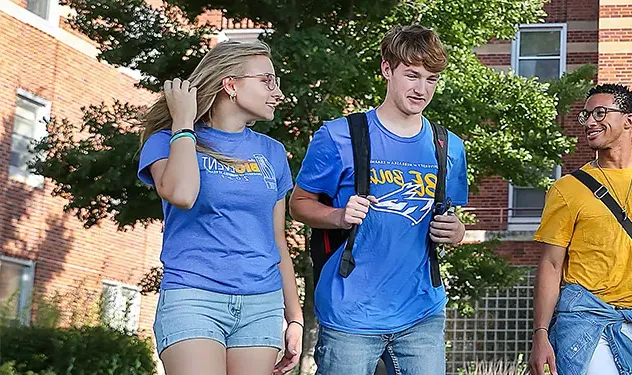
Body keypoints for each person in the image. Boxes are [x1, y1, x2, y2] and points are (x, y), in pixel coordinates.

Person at [289, 25, 468, 375]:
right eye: (412, 75)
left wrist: (457, 232)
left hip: (422, 312)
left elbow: (451, 221)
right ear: (387, 69)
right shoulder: (339, 135)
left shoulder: (449, 146)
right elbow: (298, 204)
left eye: (431, 79)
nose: (421, 89)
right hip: (350, 312)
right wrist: (339, 216)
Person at [138, 40, 302, 375]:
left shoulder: (272, 153)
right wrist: (183, 122)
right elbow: (182, 193)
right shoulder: (166, 141)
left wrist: (295, 317)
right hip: (193, 298)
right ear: (230, 85)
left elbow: (277, 241)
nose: (278, 92)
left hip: (261, 303)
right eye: (267, 81)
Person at [528, 84, 632, 375]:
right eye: (586, 115)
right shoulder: (568, 189)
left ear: (628, 121)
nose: (590, 122)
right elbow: (551, 264)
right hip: (584, 321)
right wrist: (540, 333)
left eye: (600, 113)